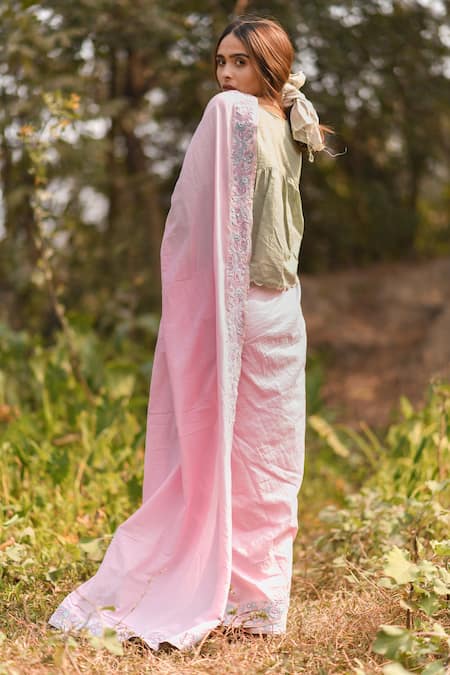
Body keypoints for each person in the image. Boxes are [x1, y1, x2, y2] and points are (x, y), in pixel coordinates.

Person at [48, 15, 332, 651]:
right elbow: (210, 217)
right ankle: (253, 603)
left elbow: (204, 221)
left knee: (256, 459)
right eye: (221, 61)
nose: (226, 75)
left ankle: (241, 596)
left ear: (271, 65)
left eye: (240, 62)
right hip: (269, 305)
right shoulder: (256, 113)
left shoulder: (275, 117)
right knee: (265, 458)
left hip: (266, 309)